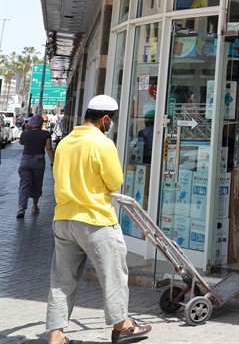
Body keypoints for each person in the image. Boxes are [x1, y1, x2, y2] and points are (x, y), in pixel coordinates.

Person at [46, 95, 152, 344]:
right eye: (111, 120)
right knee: (114, 275)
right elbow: (115, 182)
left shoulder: (65, 142)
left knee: (61, 281)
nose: (111, 124)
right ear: (105, 119)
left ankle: (56, 336)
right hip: (95, 220)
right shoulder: (103, 144)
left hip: (63, 219)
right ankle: (122, 325)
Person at [17, 115, 55, 218]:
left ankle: (21, 208)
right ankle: (34, 206)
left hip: (25, 160)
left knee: (24, 184)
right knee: (37, 183)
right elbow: (49, 148)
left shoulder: (25, 133)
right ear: (41, 123)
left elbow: (21, 142)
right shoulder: (46, 134)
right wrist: (53, 162)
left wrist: (26, 129)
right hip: (39, 161)